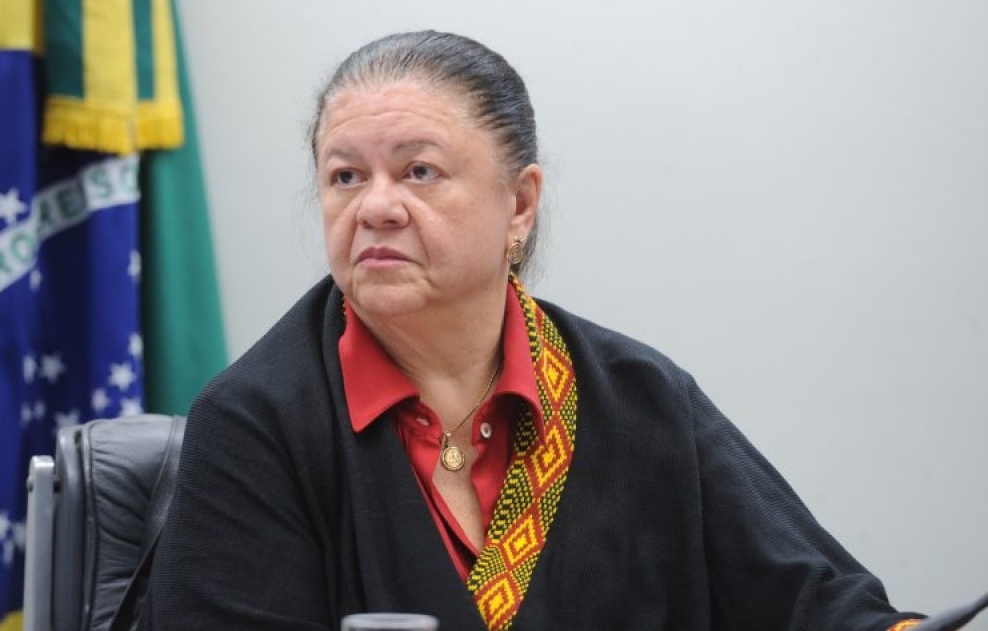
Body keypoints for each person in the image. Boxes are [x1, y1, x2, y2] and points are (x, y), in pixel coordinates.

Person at [143, 31, 927, 630]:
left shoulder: (642, 398)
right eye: (345, 176)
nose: (375, 206)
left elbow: (815, 602)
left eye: (419, 171)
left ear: (519, 205)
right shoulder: (255, 421)